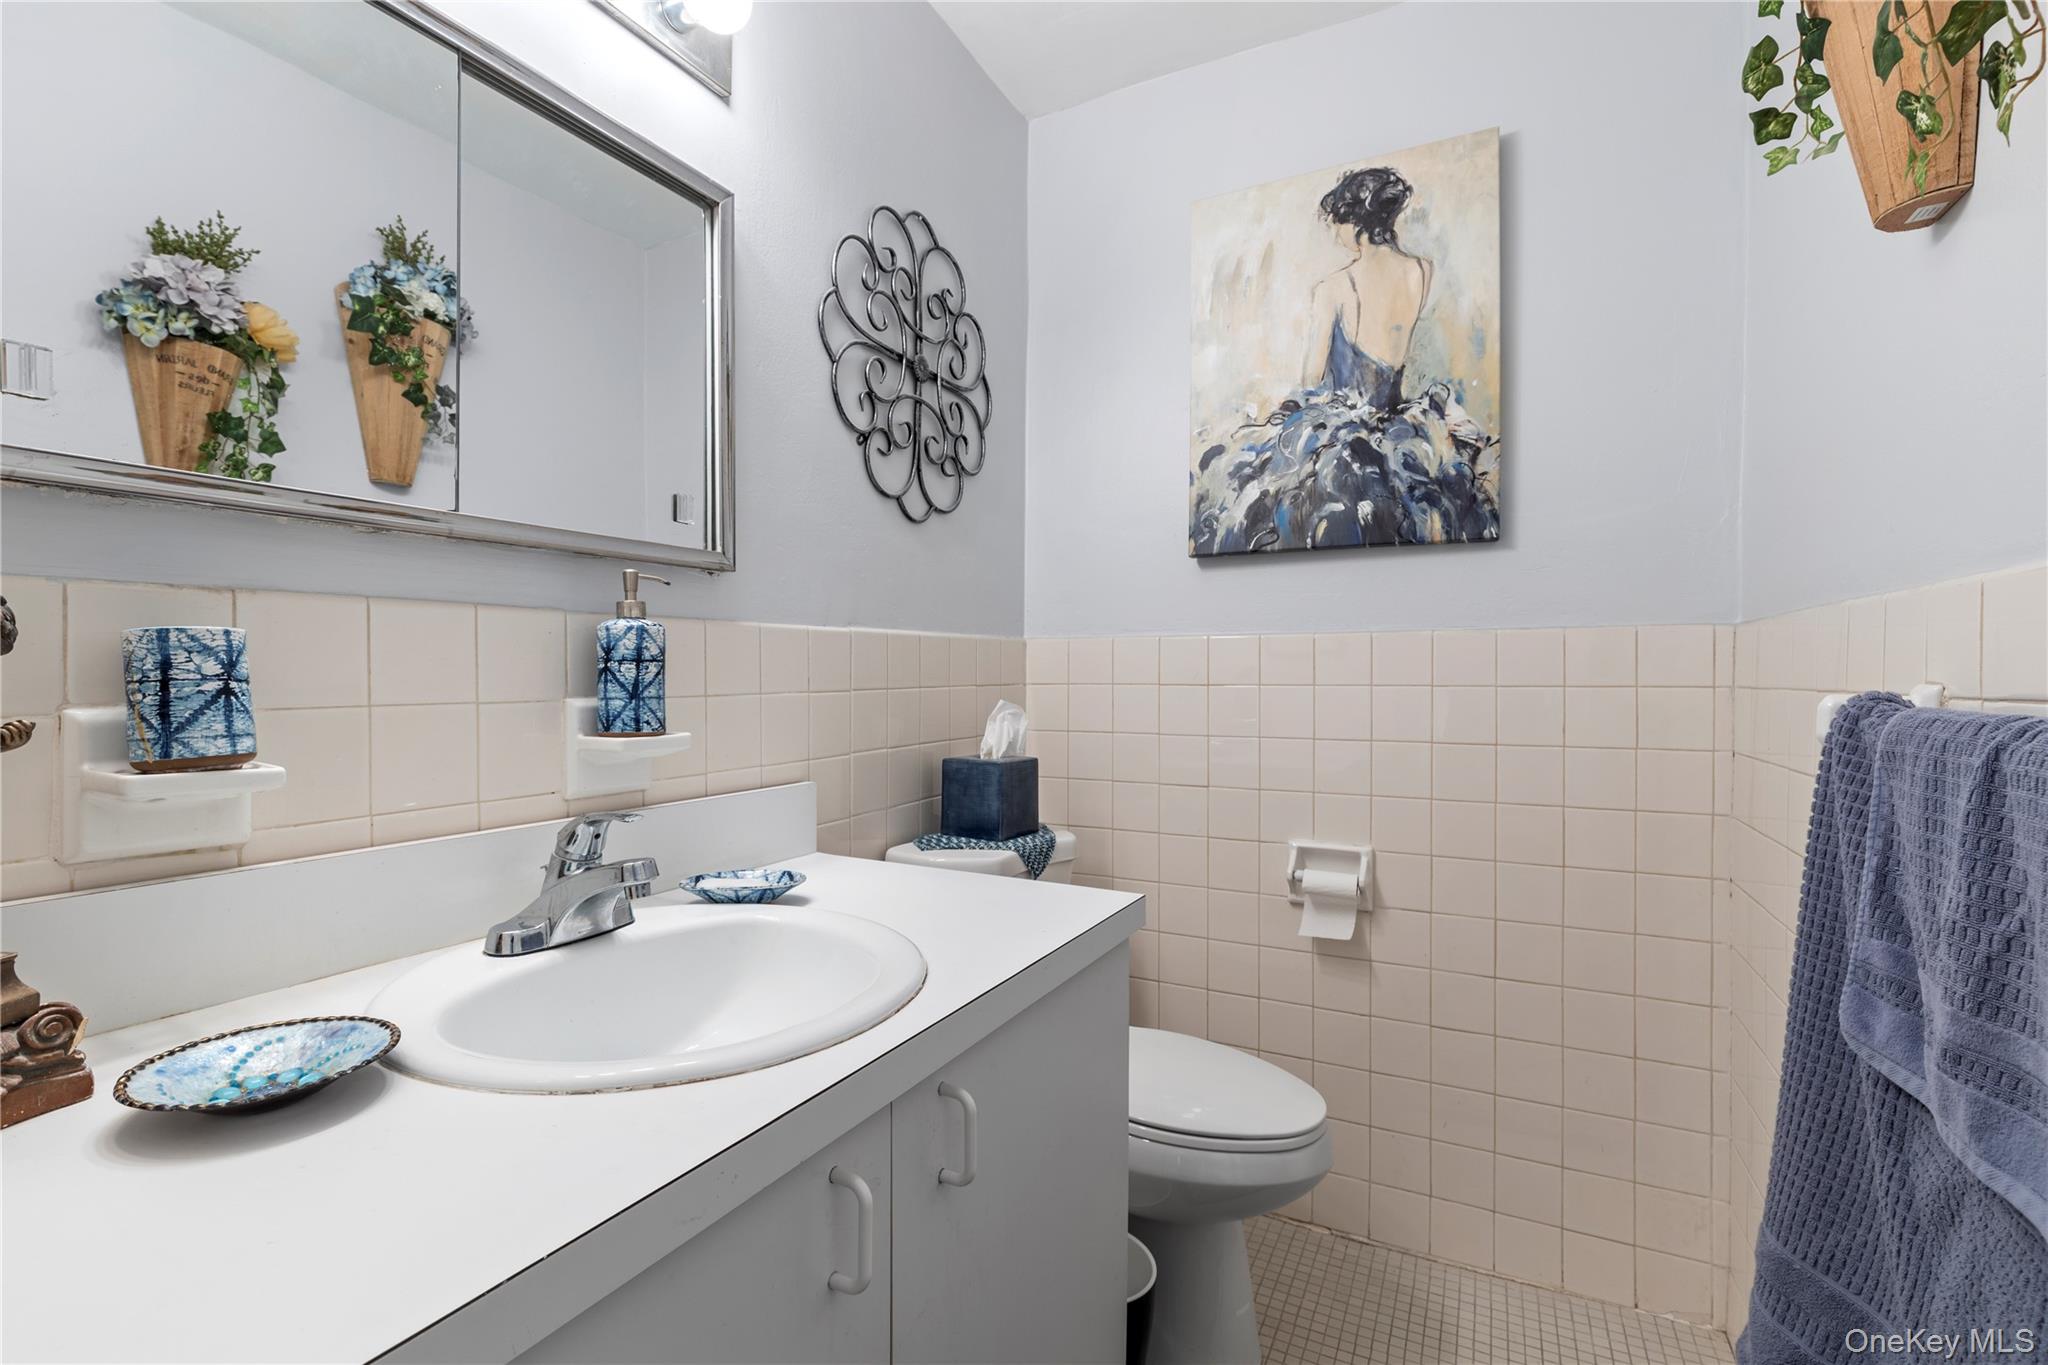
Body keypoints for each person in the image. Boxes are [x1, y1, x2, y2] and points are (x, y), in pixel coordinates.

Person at [1190, 166, 1499, 556]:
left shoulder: (1333, 288)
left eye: (1338, 221)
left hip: (1340, 436)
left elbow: (1310, 380)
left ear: (1357, 223)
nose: (1335, 232)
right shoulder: (1423, 271)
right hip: (1400, 429)